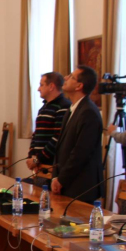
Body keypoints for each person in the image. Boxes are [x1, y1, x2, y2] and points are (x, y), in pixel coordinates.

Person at [51, 65, 104, 203]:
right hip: (67, 181)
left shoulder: (88, 112)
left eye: (71, 77)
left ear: (79, 86)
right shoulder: (72, 108)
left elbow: (81, 152)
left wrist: (61, 179)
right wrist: (55, 177)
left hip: (81, 184)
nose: (66, 78)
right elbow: (62, 147)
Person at [26, 72, 71, 175]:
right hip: (39, 165)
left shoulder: (63, 106)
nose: (38, 89)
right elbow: (36, 135)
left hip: (52, 165)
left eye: (41, 85)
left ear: (51, 86)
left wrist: (38, 159)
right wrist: (32, 156)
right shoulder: (44, 107)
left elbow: (58, 137)